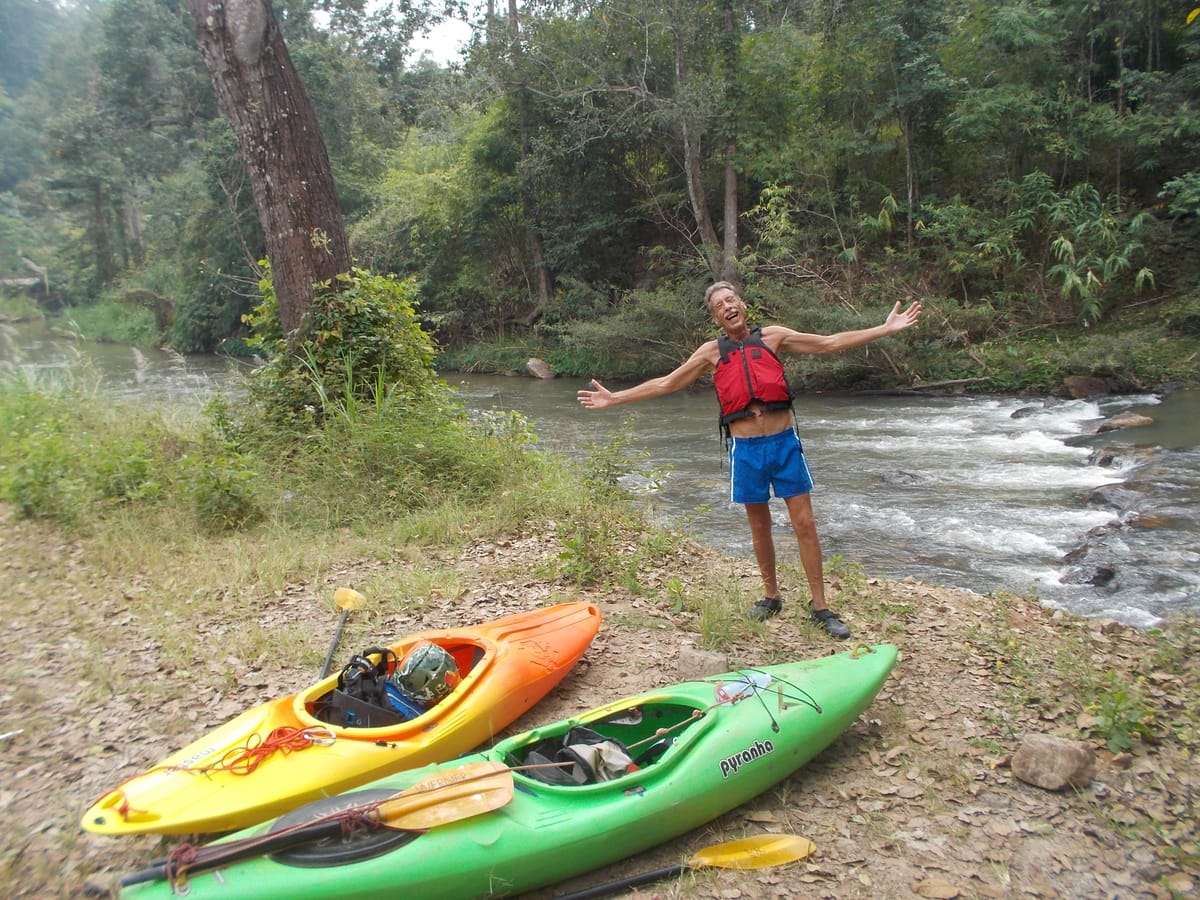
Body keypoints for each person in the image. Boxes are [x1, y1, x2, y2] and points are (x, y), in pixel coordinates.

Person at [577, 281, 922, 639]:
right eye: (719, 305)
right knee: (759, 526)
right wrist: (615, 398)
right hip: (746, 450)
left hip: (784, 443)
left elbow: (829, 343)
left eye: (731, 299)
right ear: (716, 317)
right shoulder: (711, 352)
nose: (727, 306)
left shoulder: (773, 337)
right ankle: (771, 596)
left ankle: (820, 606)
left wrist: (884, 328)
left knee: (804, 522)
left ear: (742, 304)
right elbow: (666, 383)